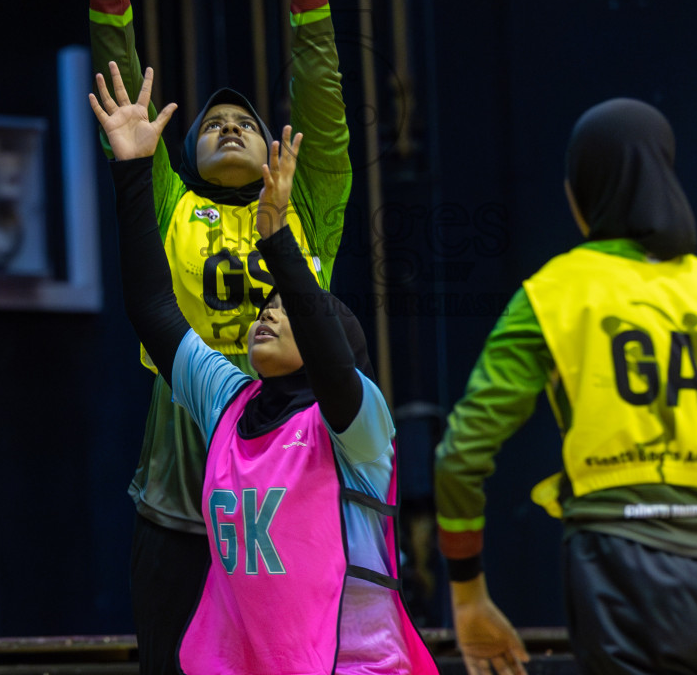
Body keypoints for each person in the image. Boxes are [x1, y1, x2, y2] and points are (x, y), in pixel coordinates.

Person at [66, 0, 353, 672]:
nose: (228, 125)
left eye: (245, 121)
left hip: (287, 481)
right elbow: (112, 48)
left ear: (280, 151)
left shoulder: (311, 199)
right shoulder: (166, 204)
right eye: (213, 123)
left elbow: (321, 76)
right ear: (179, 153)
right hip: (180, 481)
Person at [433, 98, 697, 675]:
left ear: (581, 194)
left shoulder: (553, 291)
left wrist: (468, 597)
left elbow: (459, 458)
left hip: (615, 563)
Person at [89, 62, 437, 675]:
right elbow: (153, 310)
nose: (266, 317)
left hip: (350, 665)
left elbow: (332, 366)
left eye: (288, 310)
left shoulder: (359, 430)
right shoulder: (229, 404)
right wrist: (131, 172)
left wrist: (278, 242)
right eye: (266, 308)